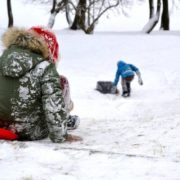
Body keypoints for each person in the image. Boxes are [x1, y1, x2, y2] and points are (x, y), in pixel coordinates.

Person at [0, 26, 82, 142]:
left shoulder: (2, 60)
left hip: (2, 128)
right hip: (30, 132)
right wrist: (60, 136)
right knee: (62, 82)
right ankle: (65, 118)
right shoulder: (45, 67)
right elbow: (52, 104)